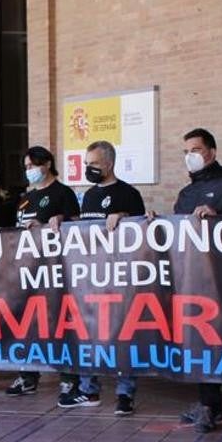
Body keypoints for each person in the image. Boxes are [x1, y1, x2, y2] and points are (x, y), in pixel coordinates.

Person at [171, 128, 222, 432]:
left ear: (211, 152)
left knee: (215, 339)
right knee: (196, 340)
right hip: (190, 277)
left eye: (195, 149)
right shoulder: (186, 193)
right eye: (185, 152)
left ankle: (211, 404)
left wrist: (218, 216)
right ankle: (209, 403)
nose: (189, 157)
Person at [58, 140, 144, 412]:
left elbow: (142, 231)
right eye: (86, 164)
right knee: (87, 332)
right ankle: (88, 390)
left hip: (120, 275)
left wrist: (124, 216)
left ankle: (125, 394)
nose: (89, 168)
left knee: (122, 334)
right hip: (91, 274)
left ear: (108, 163)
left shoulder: (129, 193)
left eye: (93, 163)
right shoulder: (89, 195)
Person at [5, 145, 80, 396]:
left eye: (33, 166)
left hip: (55, 268)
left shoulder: (63, 193)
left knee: (61, 321)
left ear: (47, 164)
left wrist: (54, 223)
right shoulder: (25, 197)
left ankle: (69, 376)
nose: (29, 171)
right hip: (27, 268)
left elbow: (78, 227)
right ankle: (27, 375)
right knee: (27, 321)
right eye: (26, 167)